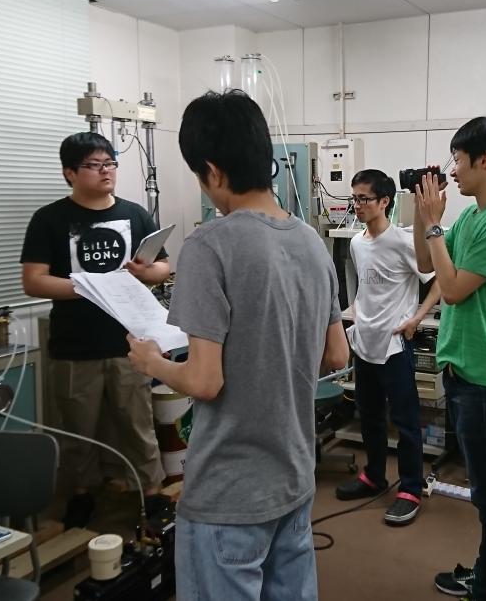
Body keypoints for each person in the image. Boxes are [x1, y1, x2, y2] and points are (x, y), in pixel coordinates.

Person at [127, 90, 347, 601]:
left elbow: (205, 381)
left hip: (229, 491)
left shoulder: (209, 245)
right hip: (294, 476)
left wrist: (153, 361)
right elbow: (337, 355)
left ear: (213, 171)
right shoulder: (311, 242)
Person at [20, 131, 172, 529]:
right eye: (94, 165)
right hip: (75, 345)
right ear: (69, 173)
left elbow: (162, 267)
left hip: (130, 342)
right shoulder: (50, 219)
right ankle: (82, 494)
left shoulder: (135, 214)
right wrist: (93, 287)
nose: (106, 171)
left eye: (110, 163)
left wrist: (145, 273)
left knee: (138, 424)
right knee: (78, 431)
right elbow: (34, 281)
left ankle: (152, 493)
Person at [413, 117, 486, 601]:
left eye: (458, 160)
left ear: (485, 160)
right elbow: (427, 266)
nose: (453, 170)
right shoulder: (471, 217)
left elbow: (455, 290)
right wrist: (422, 213)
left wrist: (436, 223)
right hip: (462, 372)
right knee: (485, 490)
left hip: (484, 378)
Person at [335, 169, 441, 526]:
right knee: (369, 416)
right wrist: (354, 312)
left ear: (385, 201)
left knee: (406, 421)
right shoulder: (357, 243)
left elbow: (439, 280)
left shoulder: (404, 242)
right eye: (354, 198)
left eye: (364, 198)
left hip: (394, 347)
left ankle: (410, 488)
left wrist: (417, 318)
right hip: (364, 343)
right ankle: (374, 475)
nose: (358, 205)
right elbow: (367, 287)